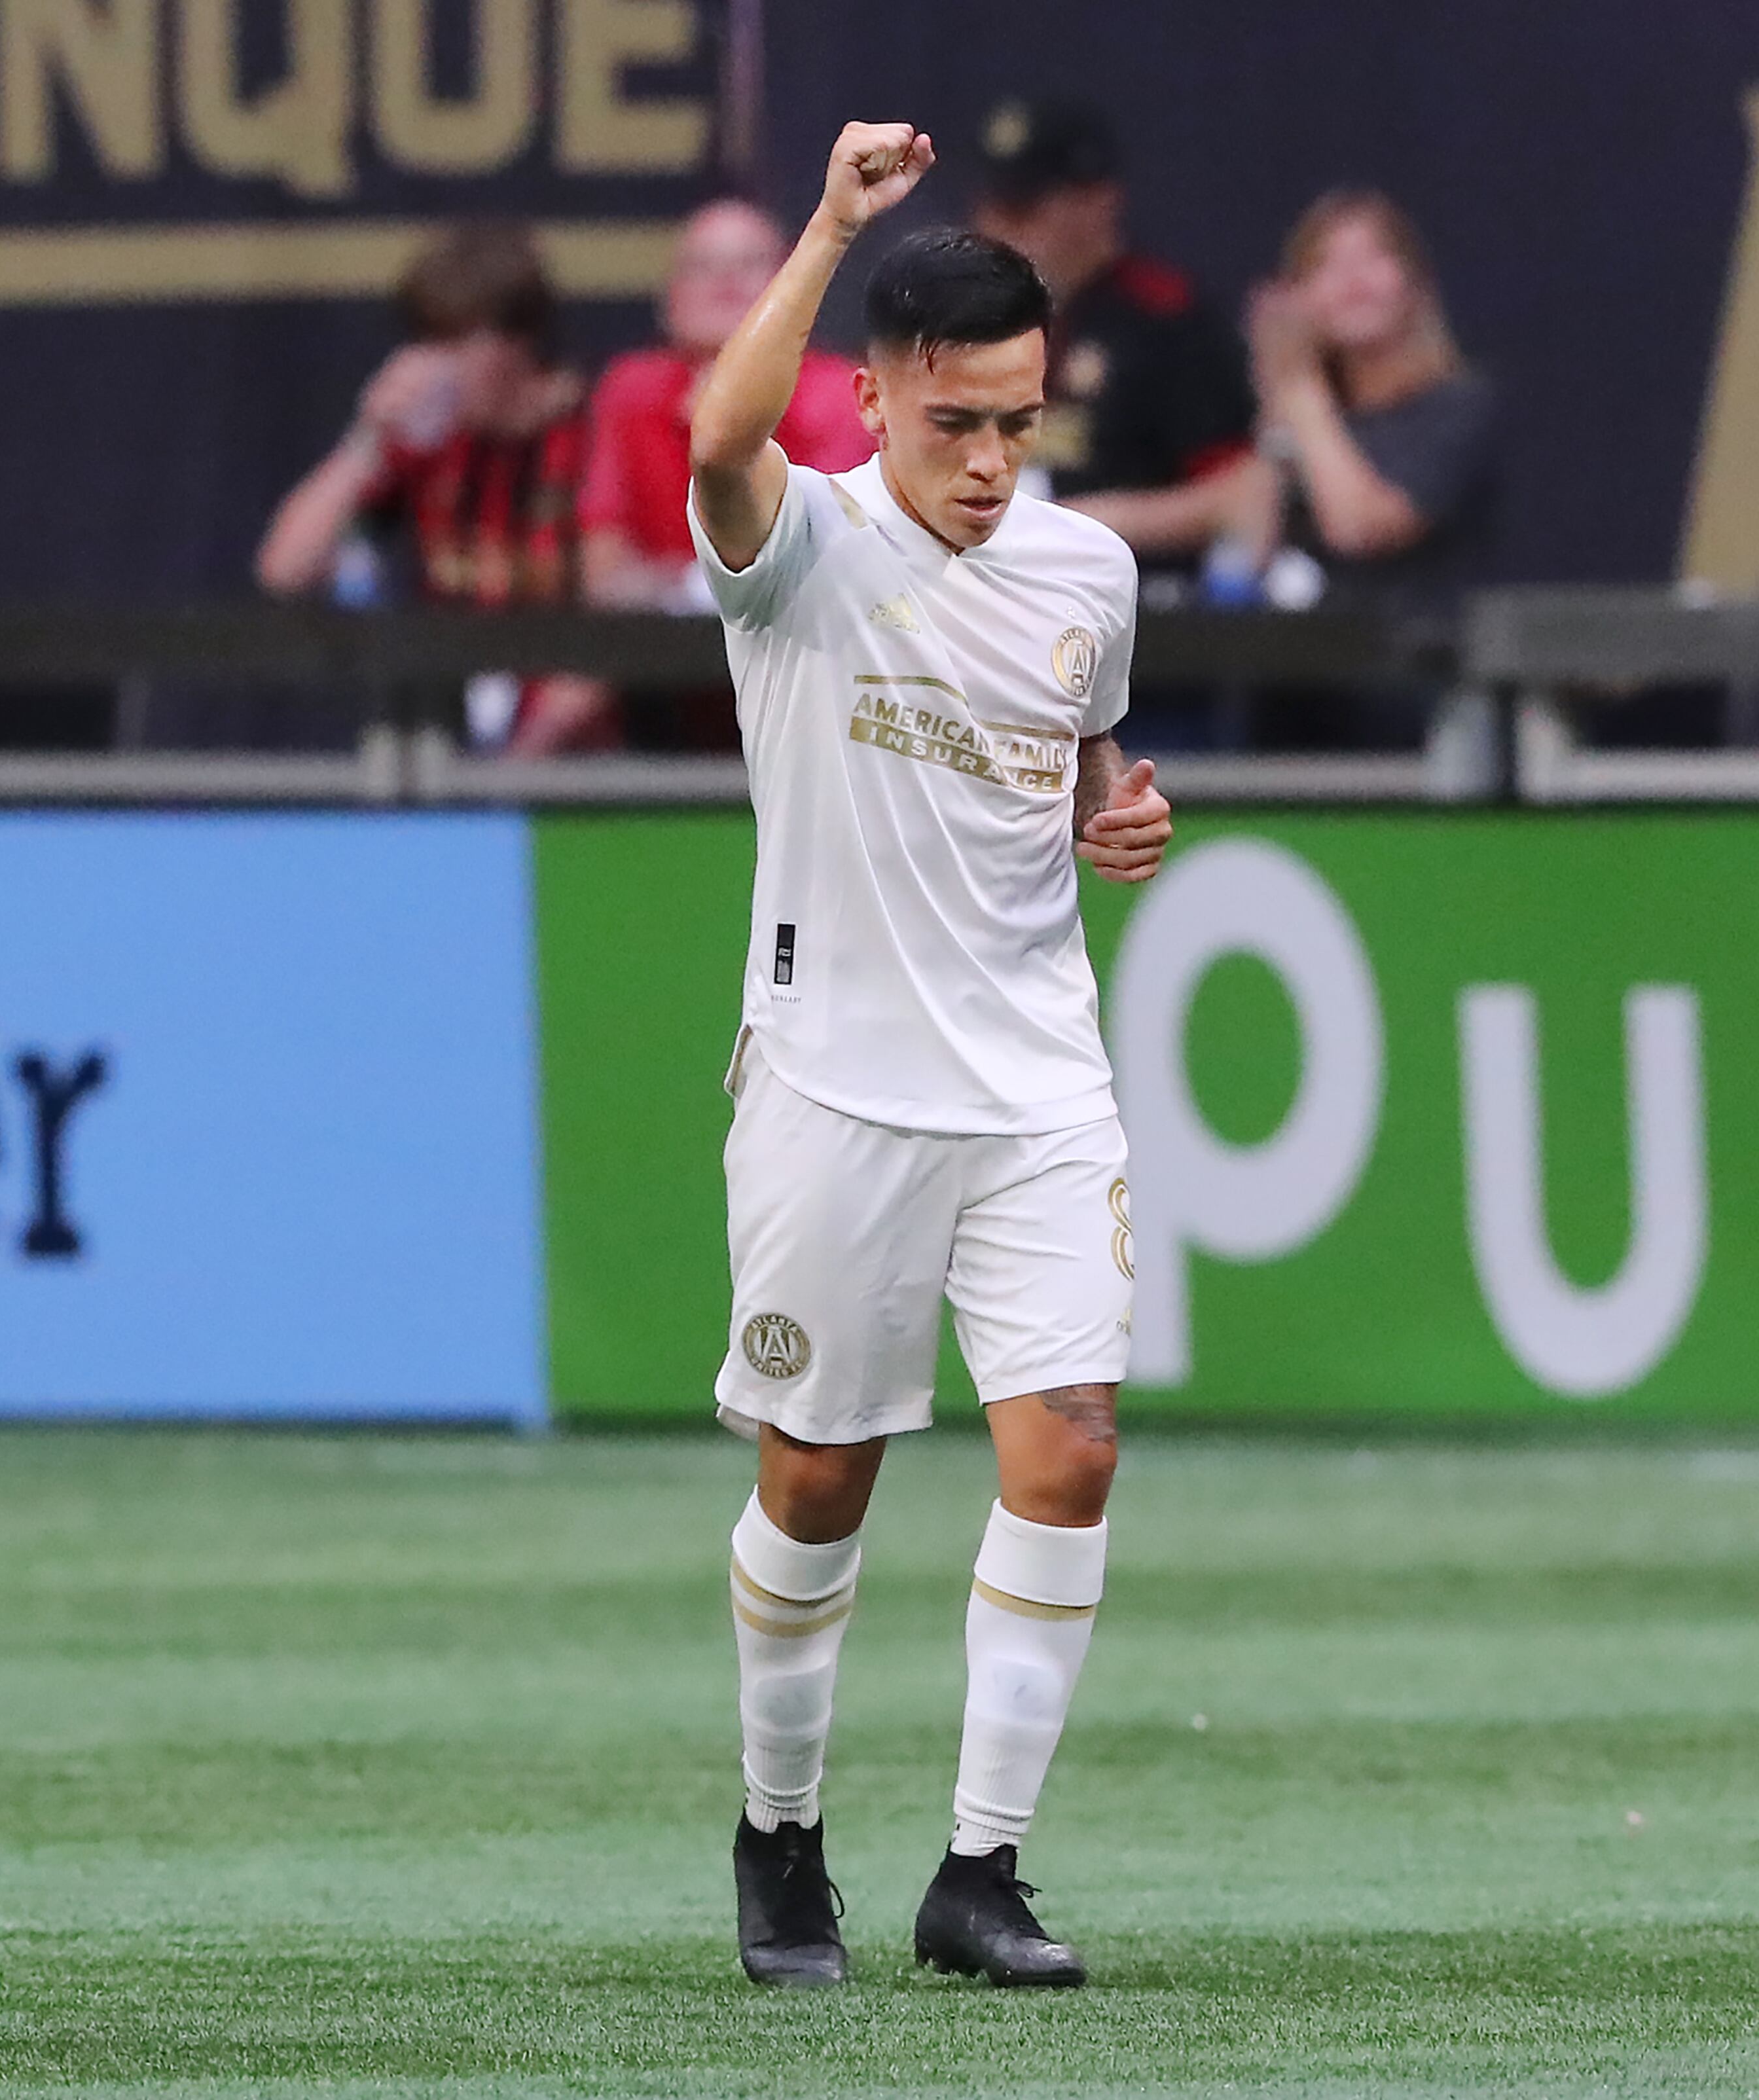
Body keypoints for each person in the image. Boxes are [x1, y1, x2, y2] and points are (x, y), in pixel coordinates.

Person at [687, 122, 1173, 1989]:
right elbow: (718, 440)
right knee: (820, 1480)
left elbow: (1081, 767)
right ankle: (781, 1831)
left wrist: (1120, 815)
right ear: (876, 390)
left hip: (1042, 1081)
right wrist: (825, 224)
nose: (986, 461)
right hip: (834, 1081)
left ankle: (980, 1873)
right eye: (953, 419)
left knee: (1071, 1448)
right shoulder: (800, 543)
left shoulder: (1089, 575)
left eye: (1018, 424)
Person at [253, 221, 594, 749]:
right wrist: (367, 437)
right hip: (449, 744)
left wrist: (519, 771)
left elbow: (612, 618)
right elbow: (285, 570)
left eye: (459, 341)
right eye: (430, 341)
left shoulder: (592, 433)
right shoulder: (427, 447)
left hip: (582, 761)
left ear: (520, 340)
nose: (441, 365)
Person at [970, 98, 1254, 568]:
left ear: (1096, 200)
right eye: (991, 206)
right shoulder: (966, 319)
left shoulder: (1166, 321)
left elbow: (1238, 495)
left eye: (1023, 209)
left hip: (1132, 597)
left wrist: (1060, 526)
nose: (999, 228)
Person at [579, 199, 875, 614]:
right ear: (670, 296)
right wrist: (691, 589)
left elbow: (831, 565)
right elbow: (605, 576)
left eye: (749, 263)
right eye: (703, 265)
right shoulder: (631, 392)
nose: (726, 280)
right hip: (661, 661)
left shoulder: (839, 394)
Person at [1229, 189, 1497, 608]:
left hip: (1418, 657)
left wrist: (1300, 385)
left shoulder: (1456, 405)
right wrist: (1276, 395)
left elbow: (1359, 529)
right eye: (1326, 265)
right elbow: (1246, 551)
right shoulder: (1305, 412)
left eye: (1374, 258)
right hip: (1300, 657)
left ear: (1414, 282)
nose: (1354, 281)